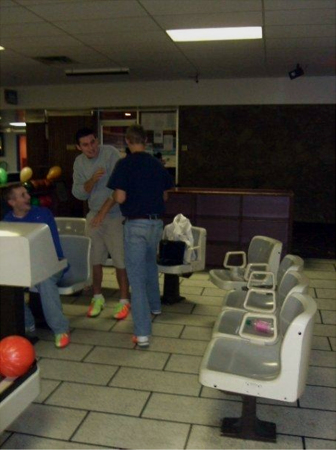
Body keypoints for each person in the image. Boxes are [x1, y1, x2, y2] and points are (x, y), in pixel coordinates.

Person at [94, 124, 174, 348]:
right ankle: (155, 307)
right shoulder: (157, 165)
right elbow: (165, 196)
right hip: (156, 223)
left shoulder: (124, 164)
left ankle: (142, 333)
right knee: (150, 265)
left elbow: (119, 198)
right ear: (146, 141)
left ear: (128, 142)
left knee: (136, 279)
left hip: (135, 224)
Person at [2, 184, 70, 348]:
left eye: (27, 194)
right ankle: (27, 324)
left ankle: (60, 329)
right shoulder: (6, 221)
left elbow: (50, 246)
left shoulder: (43, 214)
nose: (28, 198)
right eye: (22, 195)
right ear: (12, 202)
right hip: (23, 267)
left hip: (52, 263)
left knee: (45, 281)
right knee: (7, 283)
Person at [72, 127, 130, 320]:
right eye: (86, 145)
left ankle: (123, 300)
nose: (91, 148)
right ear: (79, 147)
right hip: (94, 214)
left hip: (115, 214)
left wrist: (103, 213)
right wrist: (92, 181)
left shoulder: (110, 154)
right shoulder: (79, 163)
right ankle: (97, 298)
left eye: (93, 142)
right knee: (94, 258)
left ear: (97, 140)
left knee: (120, 259)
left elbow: (119, 188)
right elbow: (79, 193)